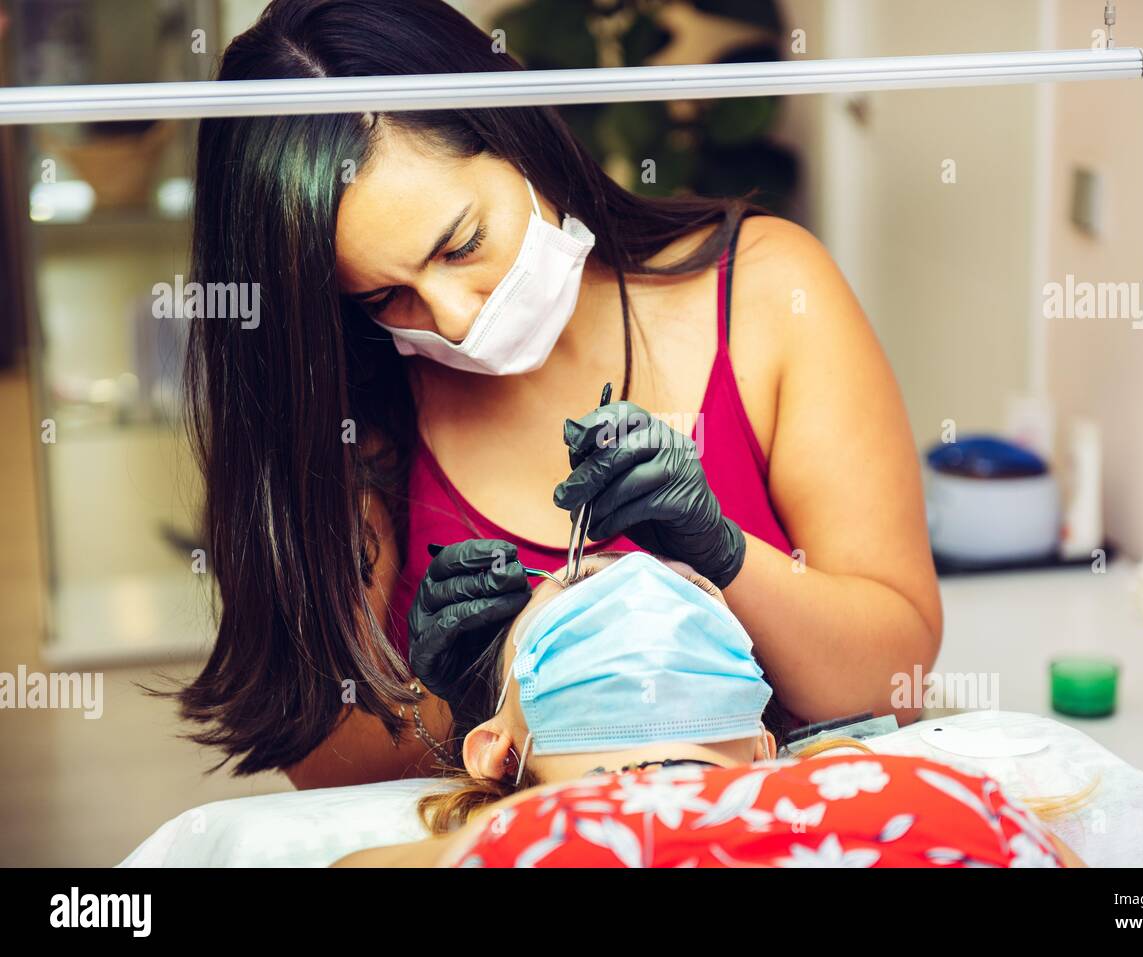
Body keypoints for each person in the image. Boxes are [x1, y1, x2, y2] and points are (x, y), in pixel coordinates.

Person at [171, 0, 942, 788]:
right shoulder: (353, 415)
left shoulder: (769, 293)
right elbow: (324, 775)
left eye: (462, 244)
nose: (456, 319)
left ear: (516, 131)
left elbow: (894, 685)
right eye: (383, 299)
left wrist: (731, 558)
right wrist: (453, 697)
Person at [334, 552, 1085, 867]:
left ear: (764, 741)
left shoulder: (928, 789)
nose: (635, 578)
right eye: (575, 582)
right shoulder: (508, 836)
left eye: (684, 585)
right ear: (496, 749)